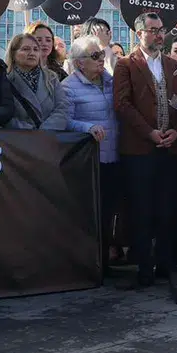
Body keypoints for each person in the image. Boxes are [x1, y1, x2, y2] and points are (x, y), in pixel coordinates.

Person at [114, 12, 177, 288]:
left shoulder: (173, 65)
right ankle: (144, 267)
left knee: (168, 207)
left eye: (161, 30)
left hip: (170, 148)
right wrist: (149, 132)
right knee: (141, 208)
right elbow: (122, 105)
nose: (159, 35)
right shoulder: (125, 64)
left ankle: (166, 264)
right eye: (153, 30)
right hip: (139, 149)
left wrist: (176, 130)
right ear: (139, 33)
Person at [64, 35, 121, 275]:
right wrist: (86, 127)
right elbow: (65, 121)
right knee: (89, 216)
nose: (101, 59)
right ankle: (87, 266)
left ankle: (105, 264)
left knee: (109, 213)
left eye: (102, 54)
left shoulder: (112, 82)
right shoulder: (68, 87)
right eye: (95, 55)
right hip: (90, 161)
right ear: (79, 63)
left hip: (114, 157)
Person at [5, 32, 69, 131]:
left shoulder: (51, 78)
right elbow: (4, 114)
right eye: (26, 49)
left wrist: (45, 130)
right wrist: (30, 131)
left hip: (49, 136)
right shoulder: (5, 80)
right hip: (19, 137)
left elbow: (62, 108)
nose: (32, 53)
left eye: (36, 49)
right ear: (13, 53)